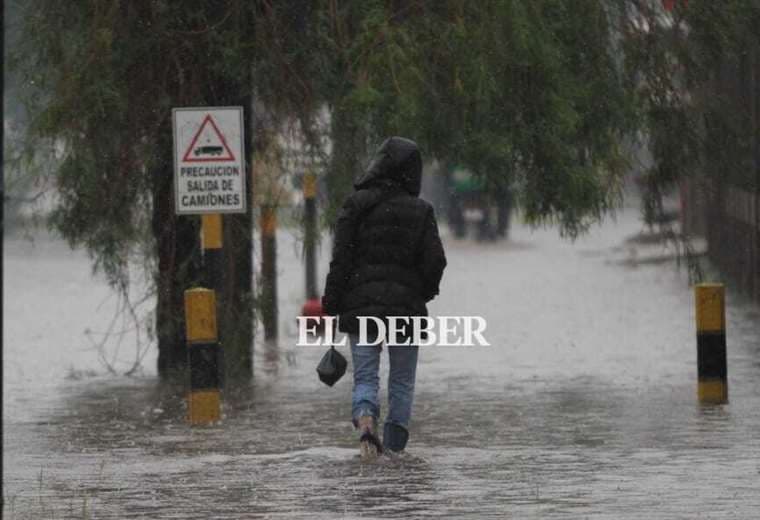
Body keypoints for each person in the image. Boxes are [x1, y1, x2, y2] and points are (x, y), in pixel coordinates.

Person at [322, 136, 447, 457]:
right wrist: (422, 293)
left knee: (365, 377)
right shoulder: (421, 211)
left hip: (361, 308)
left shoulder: (356, 205)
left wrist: (331, 303)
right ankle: (394, 455)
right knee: (401, 383)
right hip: (406, 310)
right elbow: (435, 262)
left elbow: (341, 260)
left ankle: (365, 426)